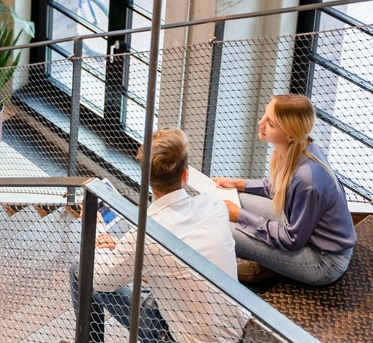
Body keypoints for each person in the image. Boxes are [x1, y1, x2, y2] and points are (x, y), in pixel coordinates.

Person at [70, 129, 246, 343]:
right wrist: (124, 249)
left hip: (181, 339)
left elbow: (99, 279)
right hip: (233, 329)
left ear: (146, 180)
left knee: (80, 270)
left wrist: (95, 228)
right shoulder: (214, 205)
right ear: (185, 175)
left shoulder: (148, 235)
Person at [214, 94, 357, 286]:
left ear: (290, 135)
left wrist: (240, 216)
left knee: (225, 230)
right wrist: (238, 184)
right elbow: (279, 187)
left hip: (324, 261)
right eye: (265, 115)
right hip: (305, 233)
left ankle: (261, 267)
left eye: (270, 123)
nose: (260, 123)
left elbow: (292, 239)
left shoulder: (308, 180)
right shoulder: (301, 148)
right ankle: (269, 265)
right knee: (234, 199)